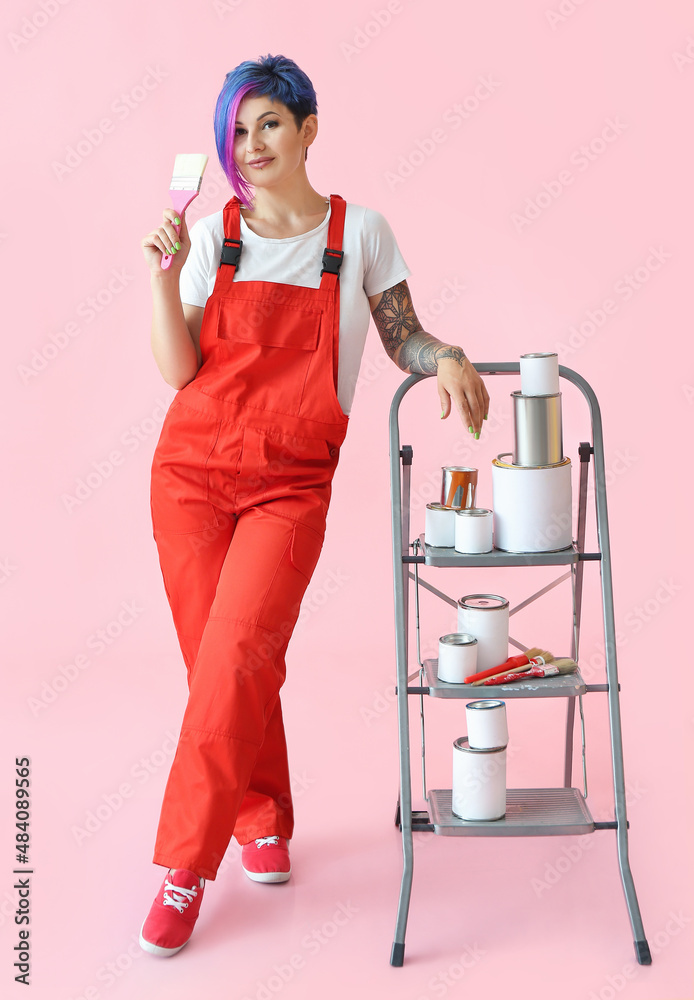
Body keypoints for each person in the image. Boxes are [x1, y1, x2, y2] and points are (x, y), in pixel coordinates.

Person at [138, 53, 489, 957]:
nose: (250, 146)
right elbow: (177, 371)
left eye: (268, 125)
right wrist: (158, 277)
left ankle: (184, 867)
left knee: (238, 654)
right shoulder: (212, 236)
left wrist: (445, 356)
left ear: (307, 130)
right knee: (222, 664)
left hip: (291, 485)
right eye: (238, 131)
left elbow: (404, 334)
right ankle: (260, 816)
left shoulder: (359, 232)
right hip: (190, 476)